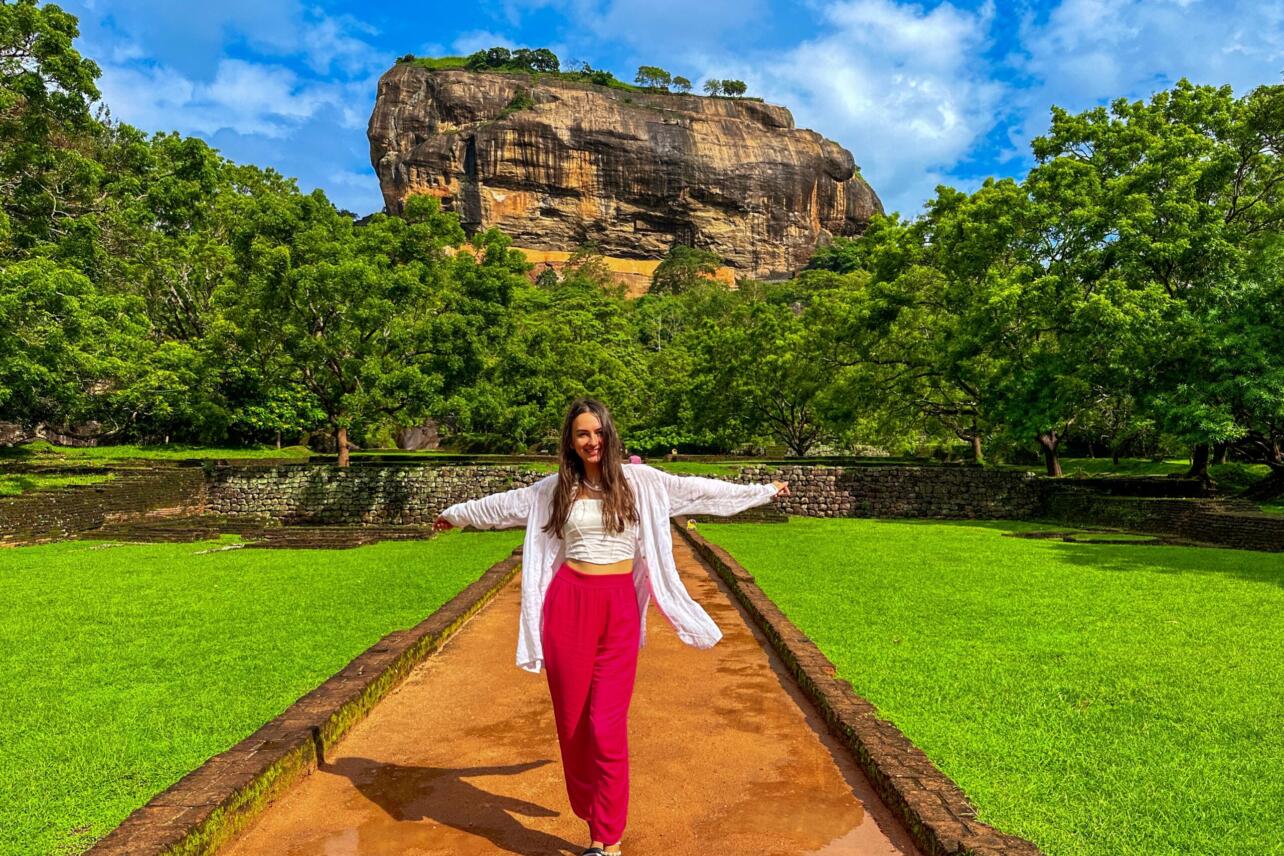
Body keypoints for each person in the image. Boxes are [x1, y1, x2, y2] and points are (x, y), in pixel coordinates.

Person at [432, 397, 789, 856]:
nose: (592, 441)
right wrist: (456, 514)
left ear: (610, 435)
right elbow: (499, 507)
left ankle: (607, 838)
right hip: (567, 607)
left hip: (617, 609)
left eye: (598, 432)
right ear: (571, 441)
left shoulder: (641, 483)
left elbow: (700, 490)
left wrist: (761, 491)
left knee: (605, 724)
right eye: (583, 433)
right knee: (573, 724)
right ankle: (589, 808)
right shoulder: (554, 489)